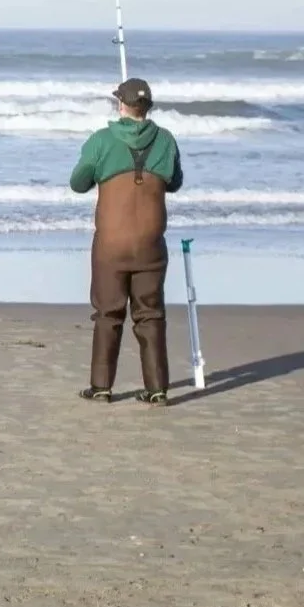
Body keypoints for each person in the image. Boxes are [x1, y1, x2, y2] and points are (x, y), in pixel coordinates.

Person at [69, 77, 183, 405]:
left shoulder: (102, 140)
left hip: (111, 247)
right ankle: (157, 388)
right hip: (150, 245)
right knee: (150, 314)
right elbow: (174, 182)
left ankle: (101, 387)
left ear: (120, 104)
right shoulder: (166, 140)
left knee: (108, 313)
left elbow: (78, 183)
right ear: (147, 107)